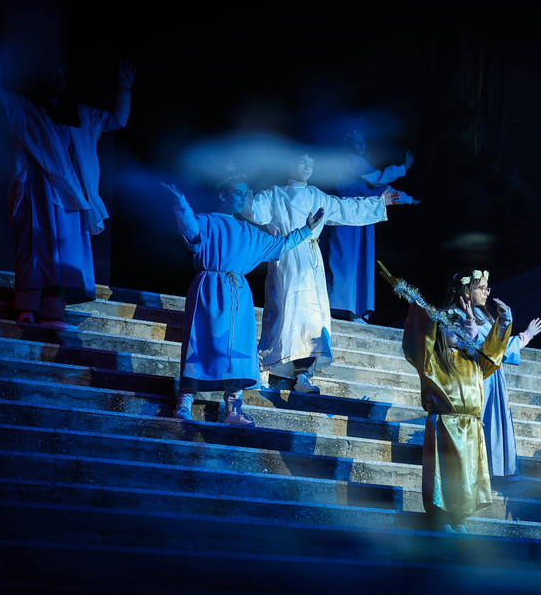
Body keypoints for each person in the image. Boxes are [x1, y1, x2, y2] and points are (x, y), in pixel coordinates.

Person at [241, 152, 413, 393]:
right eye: (302, 161)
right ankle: (263, 369)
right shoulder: (276, 194)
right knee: (282, 312)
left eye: (311, 163)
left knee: (311, 320)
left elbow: (345, 209)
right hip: (286, 257)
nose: (307, 166)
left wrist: (378, 202)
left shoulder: (316, 196)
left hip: (311, 263)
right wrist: (240, 187)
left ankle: (302, 375)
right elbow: (253, 211)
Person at [0, 54, 134, 328]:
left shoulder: (82, 115)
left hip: (71, 197)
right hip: (38, 192)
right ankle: (27, 309)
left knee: (66, 256)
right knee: (35, 249)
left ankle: (53, 312)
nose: (59, 78)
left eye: (63, 74)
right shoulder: (26, 108)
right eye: (54, 73)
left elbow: (119, 120)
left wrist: (125, 85)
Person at [162, 177, 323, 426]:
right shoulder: (206, 220)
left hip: (238, 293)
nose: (243, 197)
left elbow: (279, 244)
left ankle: (233, 409)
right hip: (209, 288)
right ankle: (184, 403)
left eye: (246, 193)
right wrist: (181, 204)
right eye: (237, 192)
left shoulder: (249, 231)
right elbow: (190, 231)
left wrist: (306, 230)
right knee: (199, 342)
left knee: (237, 349)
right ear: (223, 195)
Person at [382, 264, 513, 533]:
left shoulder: (473, 351)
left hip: (471, 421)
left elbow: (491, 358)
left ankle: (460, 518)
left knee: (466, 475)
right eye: (480, 287)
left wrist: (503, 324)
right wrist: (425, 313)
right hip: (446, 419)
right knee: (445, 474)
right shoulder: (437, 344)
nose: (461, 328)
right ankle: (441, 518)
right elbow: (421, 342)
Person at [445, 269, 541, 481]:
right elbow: (470, 346)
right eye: (481, 288)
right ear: (467, 290)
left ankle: (495, 470)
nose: (486, 292)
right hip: (473, 378)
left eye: (487, 288)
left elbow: (498, 349)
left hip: (493, 379)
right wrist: (471, 322)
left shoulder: (484, 317)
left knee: (494, 423)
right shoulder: (455, 315)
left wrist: (522, 332)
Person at [325, 131, 415, 323]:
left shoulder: (359, 181)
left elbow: (376, 188)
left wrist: (408, 199)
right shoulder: (351, 159)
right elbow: (377, 178)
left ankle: (355, 310)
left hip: (361, 214)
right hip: (349, 213)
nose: (361, 146)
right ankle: (338, 307)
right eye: (357, 141)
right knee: (346, 261)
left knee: (359, 261)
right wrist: (404, 168)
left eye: (363, 142)